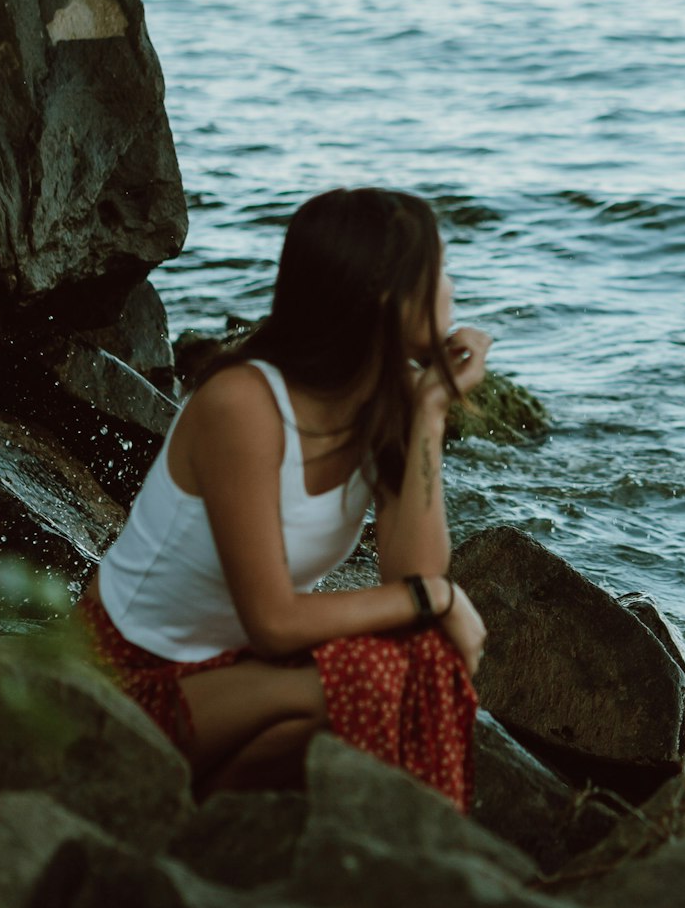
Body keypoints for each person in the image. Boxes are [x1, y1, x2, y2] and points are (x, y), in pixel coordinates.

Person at [78, 186, 491, 808]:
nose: (452, 285)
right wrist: (437, 598)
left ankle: (206, 821)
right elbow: (277, 624)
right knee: (391, 674)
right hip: (128, 680)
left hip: (232, 672)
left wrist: (432, 410)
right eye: (438, 270)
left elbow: (413, 570)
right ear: (385, 297)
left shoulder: (385, 403)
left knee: (420, 657)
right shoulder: (244, 404)